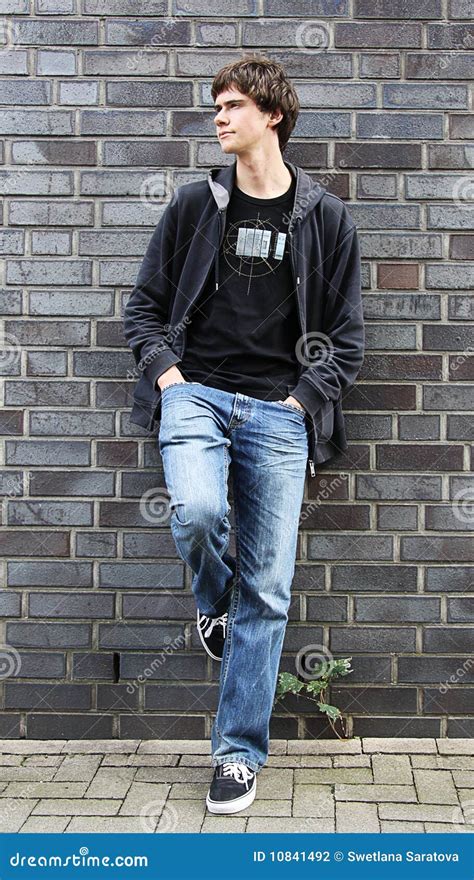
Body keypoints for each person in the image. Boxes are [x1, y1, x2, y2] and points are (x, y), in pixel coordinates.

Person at [123, 56, 365, 815]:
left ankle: (236, 754)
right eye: (216, 106)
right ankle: (210, 602)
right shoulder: (196, 206)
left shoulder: (324, 219)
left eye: (233, 106)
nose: (219, 118)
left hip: (277, 414)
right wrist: (169, 378)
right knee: (194, 511)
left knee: (267, 587)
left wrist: (299, 404)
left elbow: (346, 341)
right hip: (196, 396)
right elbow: (143, 309)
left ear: (273, 116)